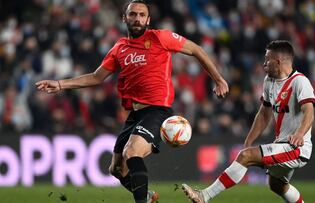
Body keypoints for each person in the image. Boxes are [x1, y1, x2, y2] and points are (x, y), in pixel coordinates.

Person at [35, 0, 229, 203]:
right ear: (124, 18)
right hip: (135, 115)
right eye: (133, 14)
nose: (137, 18)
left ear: (148, 19)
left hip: (157, 110)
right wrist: (60, 84)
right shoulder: (120, 48)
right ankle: (146, 196)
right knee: (117, 169)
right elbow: (96, 77)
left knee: (132, 151)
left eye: (142, 15)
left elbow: (196, 49)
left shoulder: (160, 37)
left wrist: (218, 79)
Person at [182, 40, 315, 203]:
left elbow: (309, 111)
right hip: (282, 144)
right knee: (277, 186)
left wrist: (300, 134)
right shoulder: (269, 81)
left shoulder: (300, 82)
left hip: (297, 147)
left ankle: (204, 196)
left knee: (246, 156)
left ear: (278, 62)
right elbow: (264, 114)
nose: (264, 63)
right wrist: (249, 140)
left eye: (267, 60)